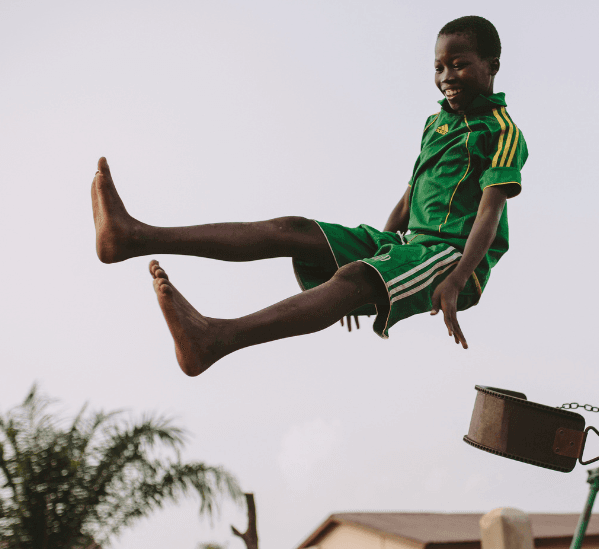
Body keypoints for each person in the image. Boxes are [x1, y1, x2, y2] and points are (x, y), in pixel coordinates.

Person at [91, 15, 527, 376]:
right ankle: (134, 238)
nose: (447, 77)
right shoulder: (438, 124)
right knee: (295, 229)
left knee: (355, 279)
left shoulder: (501, 131)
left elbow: (488, 215)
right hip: (408, 245)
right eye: (439, 67)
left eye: (460, 64)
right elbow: (409, 198)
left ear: (492, 65)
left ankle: (215, 339)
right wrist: (380, 251)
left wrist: (454, 279)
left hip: (451, 256)